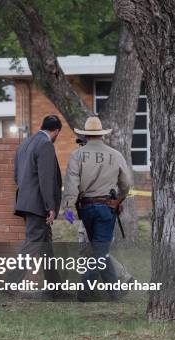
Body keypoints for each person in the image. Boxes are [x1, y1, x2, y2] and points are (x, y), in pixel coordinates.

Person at [62, 117, 133, 301]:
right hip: (106, 207)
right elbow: (126, 184)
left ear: (85, 134)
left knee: (99, 250)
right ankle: (93, 291)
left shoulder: (77, 155)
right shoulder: (115, 154)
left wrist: (68, 208)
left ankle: (106, 291)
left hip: (86, 208)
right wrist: (119, 199)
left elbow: (71, 184)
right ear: (101, 134)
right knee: (100, 250)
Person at [14, 115, 63, 298]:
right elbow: (46, 179)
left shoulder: (25, 144)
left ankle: (55, 289)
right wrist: (50, 206)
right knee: (32, 244)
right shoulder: (45, 144)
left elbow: (16, 176)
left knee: (45, 247)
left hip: (26, 202)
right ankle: (8, 283)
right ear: (56, 131)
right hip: (39, 205)